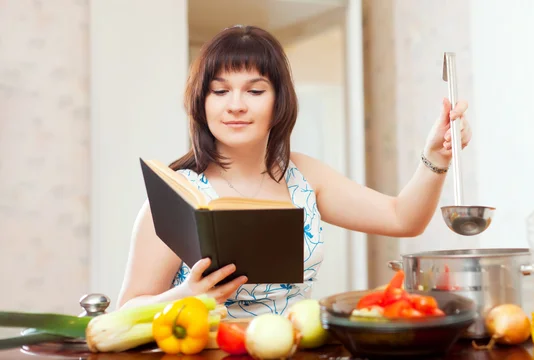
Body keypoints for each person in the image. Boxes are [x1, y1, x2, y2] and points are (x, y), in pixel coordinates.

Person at [116, 25, 472, 317]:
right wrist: (185, 294)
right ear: (202, 102)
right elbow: (126, 311)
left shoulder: (303, 175)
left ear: (278, 101)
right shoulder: (175, 195)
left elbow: (401, 219)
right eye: (220, 91)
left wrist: (436, 157)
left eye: (255, 90)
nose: (236, 105)